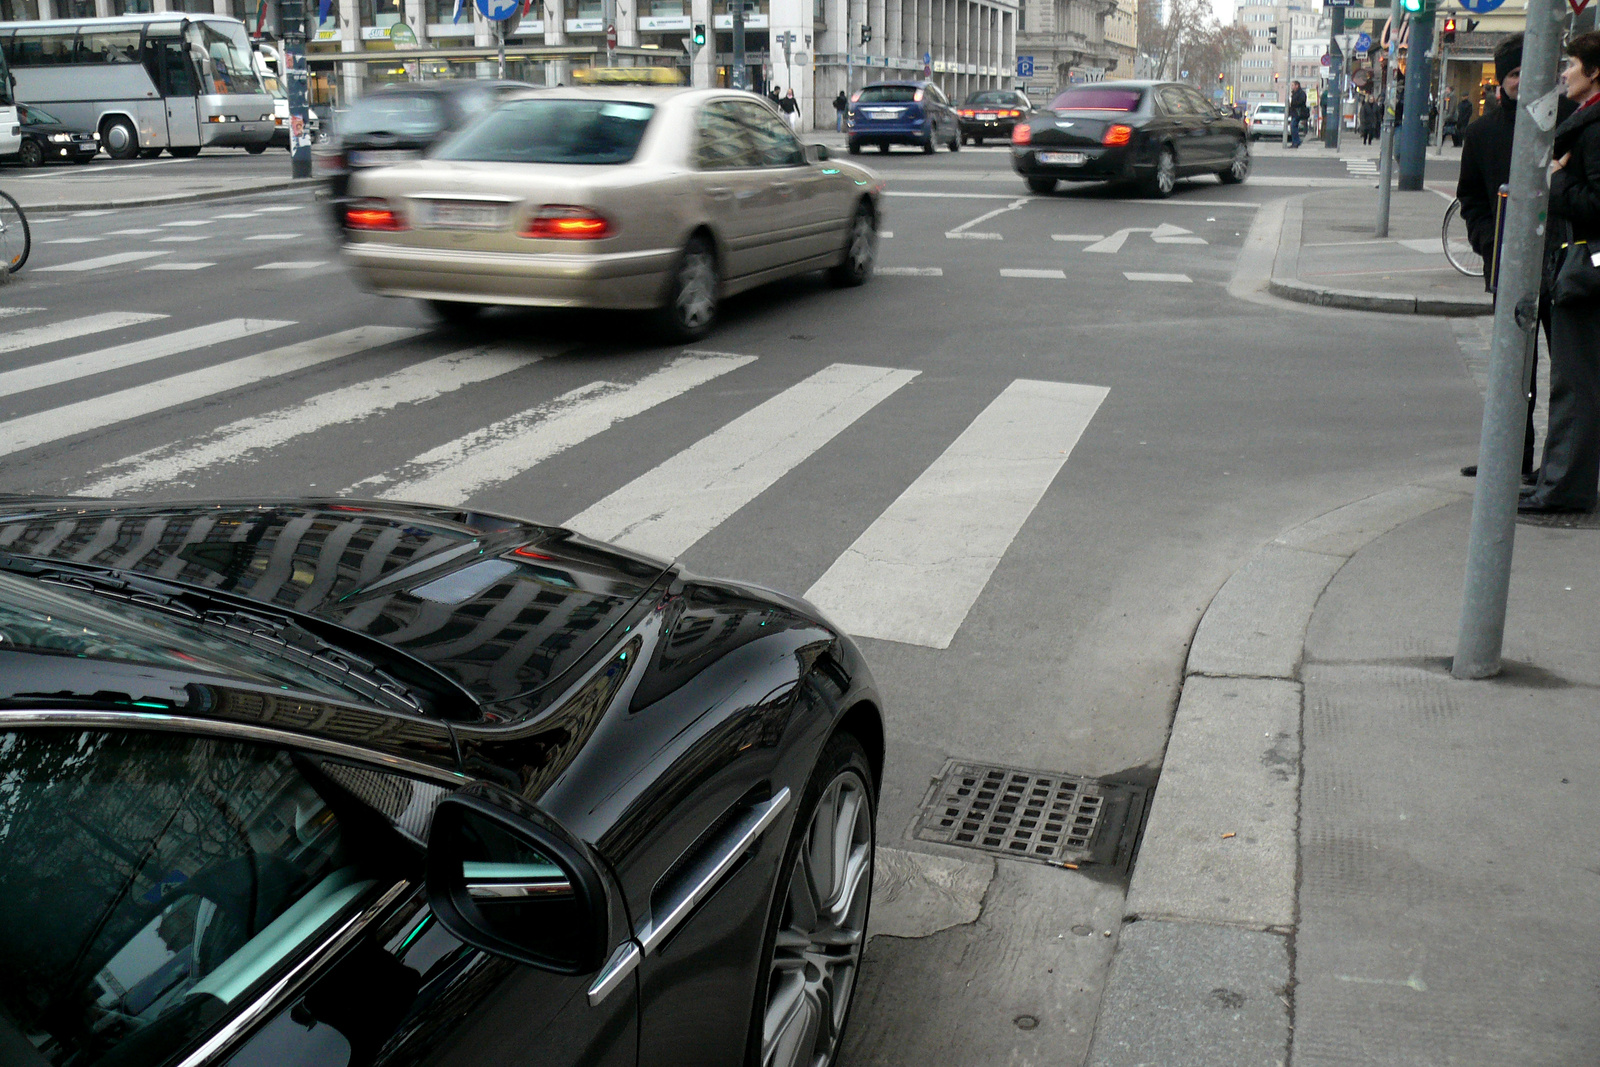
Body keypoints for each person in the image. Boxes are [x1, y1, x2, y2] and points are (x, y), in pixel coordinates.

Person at [1457, 33, 1577, 483]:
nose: (1522, 80)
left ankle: (1559, 466)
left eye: (1530, 71)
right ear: (1502, 79)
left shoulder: (1568, 121)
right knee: (1513, 372)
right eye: (1513, 73)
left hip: (1563, 266)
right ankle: (1511, 458)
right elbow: (1471, 198)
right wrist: (1489, 241)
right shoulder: (1481, 132)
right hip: (1508, 268)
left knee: (1566, 372)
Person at [1521, 31, 1600, 514]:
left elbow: (1596, 204)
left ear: (1594, 72)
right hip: (1580, 267)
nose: (1564, 72)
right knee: (1575, 383)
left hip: (1584, 271)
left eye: (1572, 64)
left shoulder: (1594, 128)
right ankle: (1556, 479)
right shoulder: (1586, 122)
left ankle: (1563, 489)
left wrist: (1556, 178)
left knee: (1576, 383)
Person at [1288, 81, 1307, 147]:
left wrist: (1294, 104)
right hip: (1294, 112)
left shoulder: (1301, 93)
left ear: (1297, 85)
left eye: (1293, 85)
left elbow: (1301, 101)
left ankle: (1296, 142)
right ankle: (1295, 142)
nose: (1292, 87)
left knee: (1293, 126)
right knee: (1293, 127)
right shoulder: (1294, 93)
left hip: (1298, 112)